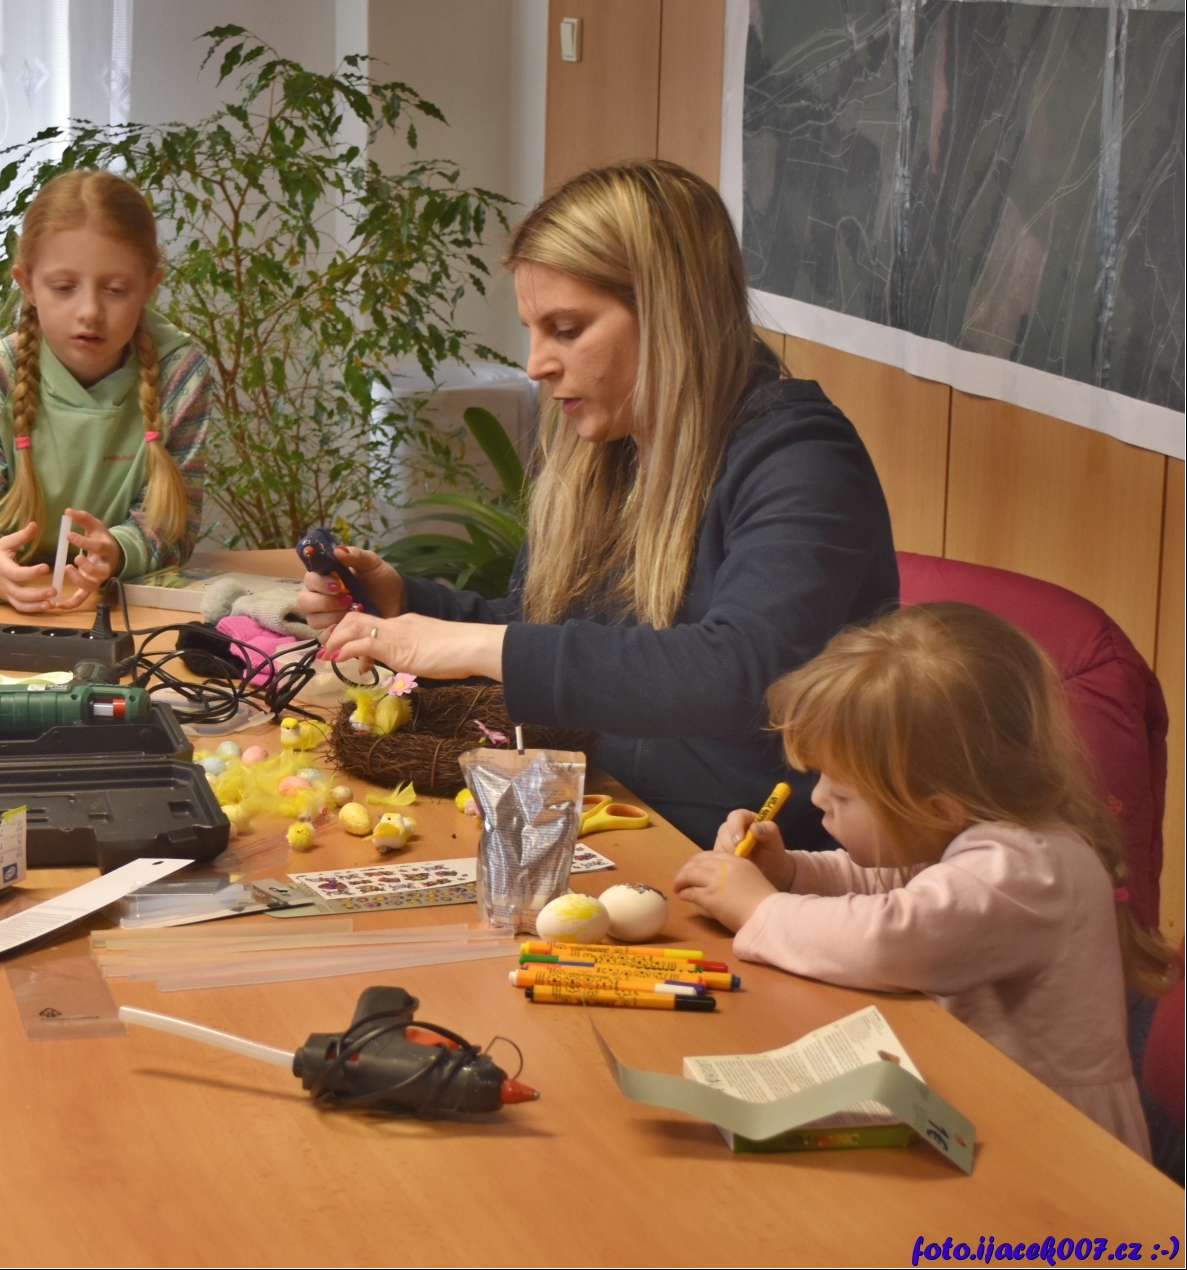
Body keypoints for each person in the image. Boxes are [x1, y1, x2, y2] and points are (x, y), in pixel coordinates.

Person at [305, 159, 897, 849]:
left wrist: (476, 644)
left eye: (566, 329)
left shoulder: (805, 460)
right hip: (613, 816)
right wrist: (404, 603)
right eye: (535, 331)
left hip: (749, 860)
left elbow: (741, 672)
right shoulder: (612, 450)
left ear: (672, 315)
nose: (537, 364)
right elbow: (556, 639)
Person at [674, 602, 1176, 1157]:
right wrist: (788, 872)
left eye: (842, 793)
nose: (817, 799)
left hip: (1058, 1148)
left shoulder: (1024, 869)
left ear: (936, 809)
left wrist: (759, 908)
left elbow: (891, 936)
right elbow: (890, 887)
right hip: (991, 1106)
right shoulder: (981, 833)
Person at [0, 169, 211, 611]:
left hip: (119, 610)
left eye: (116, 290)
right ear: (27, 285)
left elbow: (174, 531)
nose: (90, 312)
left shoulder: (180, 373)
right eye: (64, 288)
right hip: (7, 610)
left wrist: (117, 552)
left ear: (149, 287)